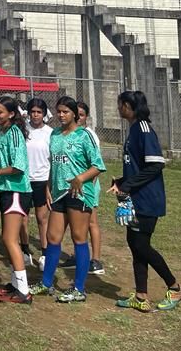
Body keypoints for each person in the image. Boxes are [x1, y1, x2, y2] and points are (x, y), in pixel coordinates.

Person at [112, 90, 181, 313]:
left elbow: (155, 165)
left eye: (120, 104)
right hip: (135, 198)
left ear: (127, 106)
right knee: (135, 245)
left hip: (147, 199)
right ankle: (141, 296)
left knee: (142, 245)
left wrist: (128, 185)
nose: (118, 108)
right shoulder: (134, 129)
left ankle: (175, 287)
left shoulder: (143, 129)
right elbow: (139, 166)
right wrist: (123, 181)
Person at [31, 96, 106, 303]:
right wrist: (48, 187)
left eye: (65, 112)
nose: (61, 115)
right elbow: (53, 165)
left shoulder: (84, 136)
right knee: (53, 237)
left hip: (79, 194)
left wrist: (80, 178)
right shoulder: (54, 134)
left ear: (74, 113)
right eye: (59, 111)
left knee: (78, 238)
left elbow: (98, 165)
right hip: (58, 193)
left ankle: (79, 289)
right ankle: (46, 283)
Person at [0, 96, 33, 304]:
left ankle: (24, 291)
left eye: (0, 112)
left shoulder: (14, 133)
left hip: (17, 191)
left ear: (12, 114)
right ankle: (15, 284)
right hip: (8, 190)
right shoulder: (4, 131)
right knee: (8, 238)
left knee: (9, 239)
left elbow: (18, 167)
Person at [75, 100, 104, 275]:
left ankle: (96, 260)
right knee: (78, 224)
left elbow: (97, 165)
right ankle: (79, 256)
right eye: (76, 113)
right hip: (75, 187)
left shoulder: (89, 135)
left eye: (82, 115)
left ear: (86, 117)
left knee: (92, 222)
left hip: (89, 185)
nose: (78, 117)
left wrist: (90, 188)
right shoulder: (72, 134)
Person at [23, 98, 53, 269]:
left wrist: (49, 186)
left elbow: (52, 161)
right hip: (25, 181)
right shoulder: (23, 130)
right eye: (33, 111)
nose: (35, 115)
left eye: (39, 112)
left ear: (44, 114)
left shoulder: (50, 133)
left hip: (42, 180)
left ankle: (45, 254)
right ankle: (25, 251)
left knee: (42, 218)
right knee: (23, 218)